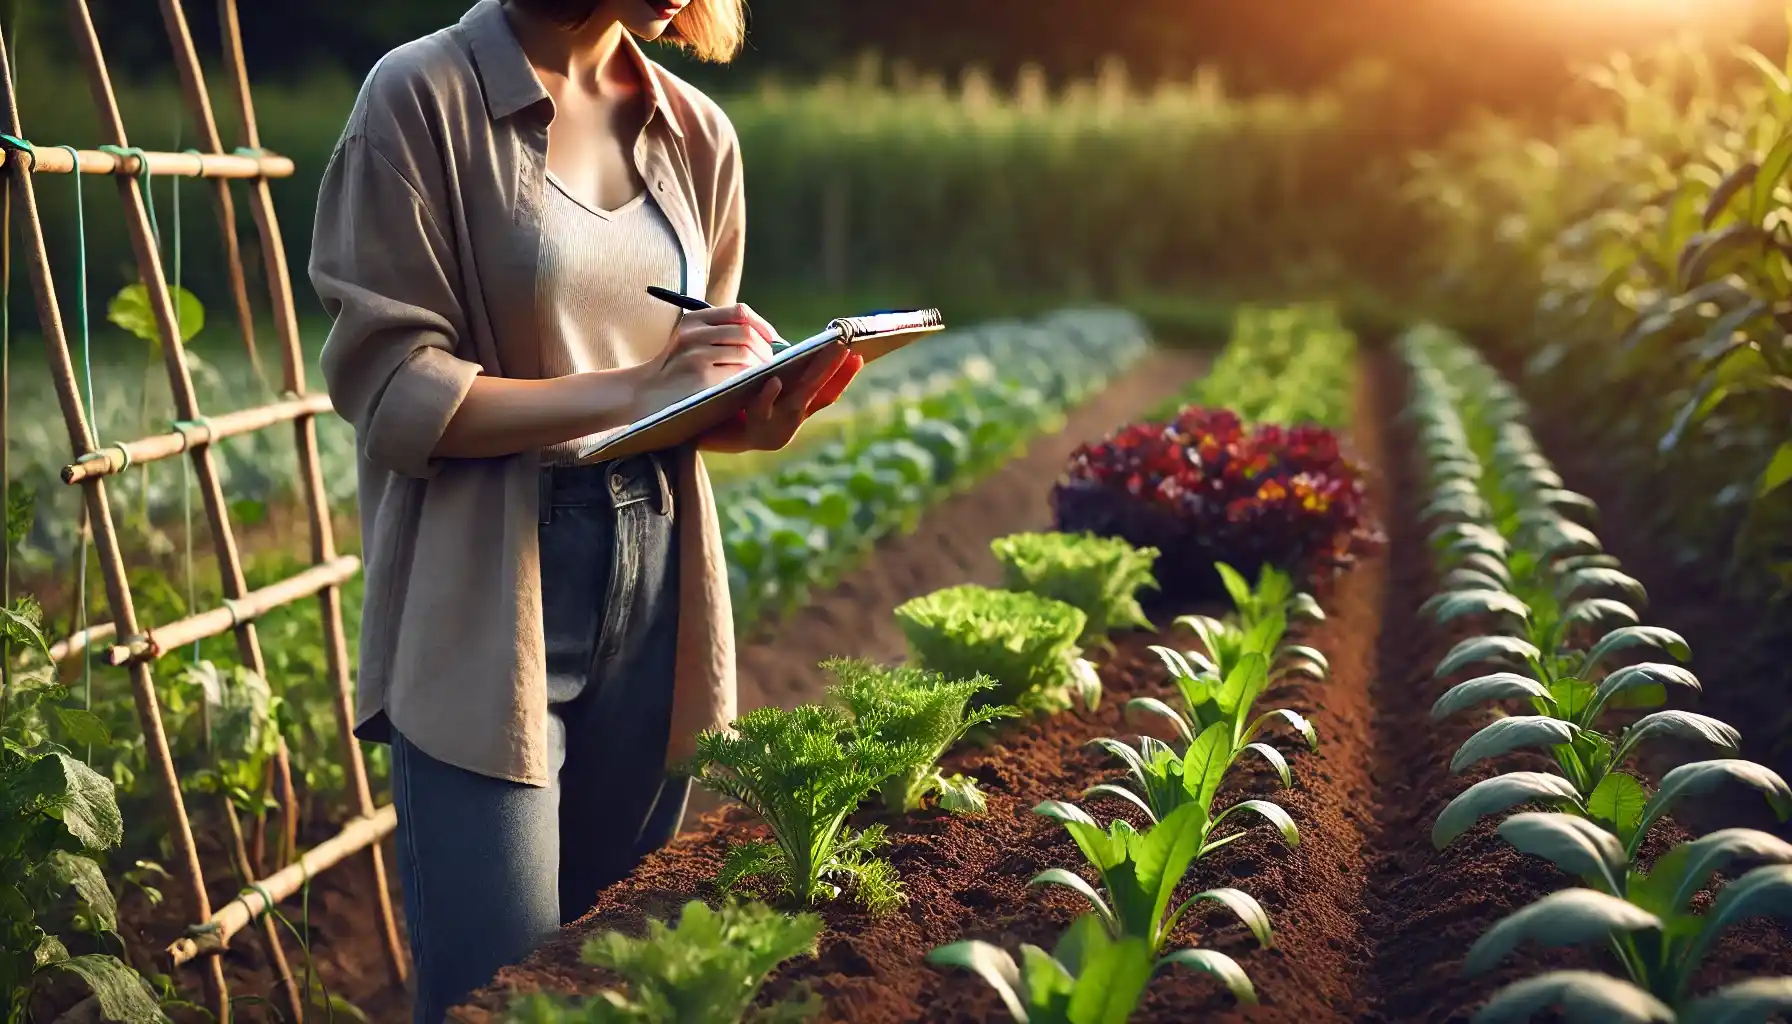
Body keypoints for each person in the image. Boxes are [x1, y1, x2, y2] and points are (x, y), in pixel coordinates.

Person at [309, 1, 861, 1019]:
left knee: (616, 979)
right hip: (488, 593)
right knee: (500, 989)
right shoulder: (420, 97)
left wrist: (753, 411)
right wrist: (638, 387)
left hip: (657, 577)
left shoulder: (697, 131)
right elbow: (391, 392)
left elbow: (681, 400)